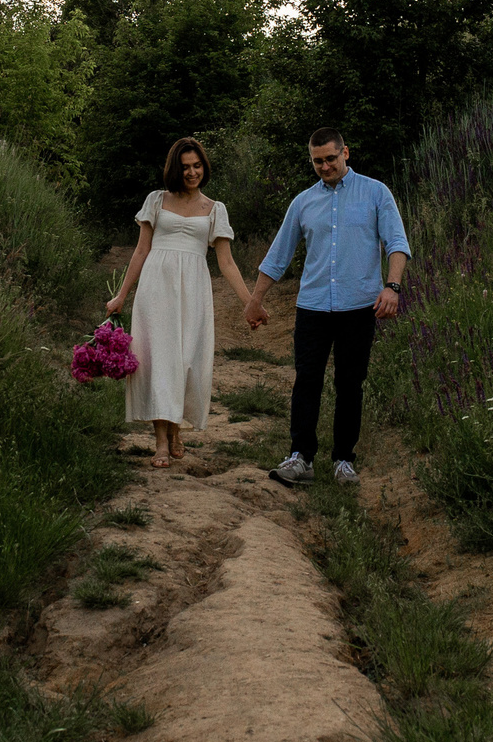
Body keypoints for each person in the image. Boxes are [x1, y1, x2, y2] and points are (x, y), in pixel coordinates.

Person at [245, 127, 408, 487]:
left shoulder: (375, 193)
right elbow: (279, 254)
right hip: (313, 306)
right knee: (307, 381)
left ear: (345, 153)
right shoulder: (303, 202)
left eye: (330, 159)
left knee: (350, 383)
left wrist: (392, 287)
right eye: (317, 161)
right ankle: (300, 457)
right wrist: (256, 299)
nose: (324, 166)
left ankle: (343, 460)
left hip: (359, 306)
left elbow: (396, 241)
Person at [107, 137, 258, 469]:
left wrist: (251, 302)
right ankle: (161, 441)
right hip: (156, 286)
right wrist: (121, 295)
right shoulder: (156, 201)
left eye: (197, 166)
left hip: (193, 288)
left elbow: (227, 263)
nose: (192, 172)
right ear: (175, 169)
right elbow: (141, 250)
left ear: (204, 166)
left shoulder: (215, 209)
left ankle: (176, 427)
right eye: (185, 167)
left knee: (185, 359)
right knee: (159, 359)